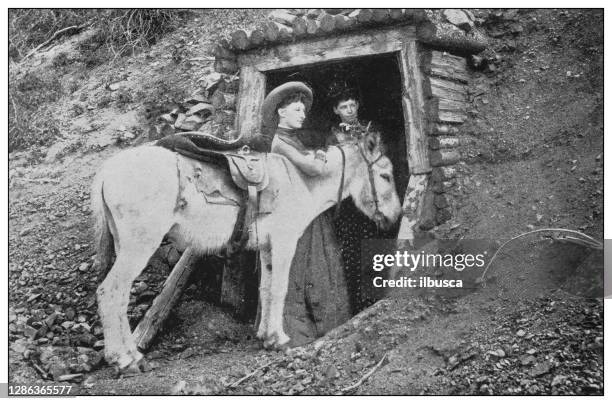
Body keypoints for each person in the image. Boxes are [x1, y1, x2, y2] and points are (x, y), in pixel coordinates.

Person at [260, 82, 351, 347]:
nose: (303, 115)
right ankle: (295, 331)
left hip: (304, 210)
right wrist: (322, 153)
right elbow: (313, 169)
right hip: (289, 217)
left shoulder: (293, 138)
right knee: (300, 268)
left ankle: (326, 326)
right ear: (280, 112)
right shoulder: (278, 141)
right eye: (297, 109)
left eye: (303, 110)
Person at [326, 86, 385, 314]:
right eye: (343, 107)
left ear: (357, 106)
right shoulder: (332, 136)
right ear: (336, 110)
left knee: (374, 247)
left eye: (352, 105)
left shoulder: (371, 129)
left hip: (371, 199)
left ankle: (376, 302)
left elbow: (381, 159)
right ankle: (356, 308)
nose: (349, 110)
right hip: (348, 204)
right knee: (351, 253)